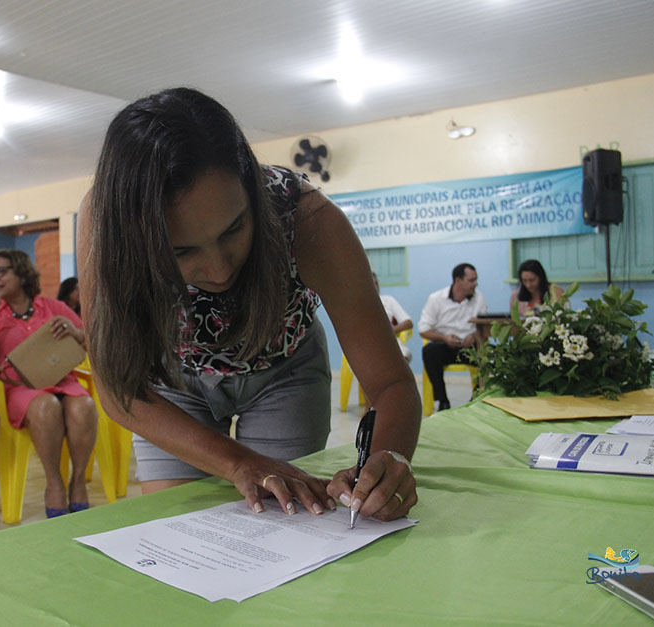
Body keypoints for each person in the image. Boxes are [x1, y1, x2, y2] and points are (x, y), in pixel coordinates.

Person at [78, 87, 420, 523]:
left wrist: (387, 459)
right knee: (181, 533)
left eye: (234, 229)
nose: (218, 270)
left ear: (253, 192)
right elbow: (117, 385)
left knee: (293, 526)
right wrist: (238, 462)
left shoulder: (308, 220)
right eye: (182, 252)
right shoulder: (104, 223)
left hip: (284, 372)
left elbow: (390, 383)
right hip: (168, 381)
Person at [0, 250, 97, 517]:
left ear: (21, 272)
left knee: (84, 405)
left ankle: (78, 481)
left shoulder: (51, 307)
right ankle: (54, 484)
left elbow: (87, 337)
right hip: (17, 390)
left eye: (1, 271)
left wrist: (75, 333)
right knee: (45, 405)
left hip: (60, 379)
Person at [418, 263, 488, 412]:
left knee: (490, 354)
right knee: (429, 351)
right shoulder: (436, 299)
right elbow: (423, 330)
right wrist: (444, 338)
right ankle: (442, 400)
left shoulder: (479, 298)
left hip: (470, 348)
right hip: (445, 346)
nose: (476, 284)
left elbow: (484, 328)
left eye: (476, 280)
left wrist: (474, 337)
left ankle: (475, 398)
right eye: (471, 280)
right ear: (458, 281)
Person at [372, 273, 412, 362]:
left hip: (389, 340)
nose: (375, 287)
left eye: (376, 283)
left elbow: (408, 323)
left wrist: (389, 332)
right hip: (367, 343)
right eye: (372, 284)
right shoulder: (357, 306)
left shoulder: (388, 300)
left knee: (403, 355)